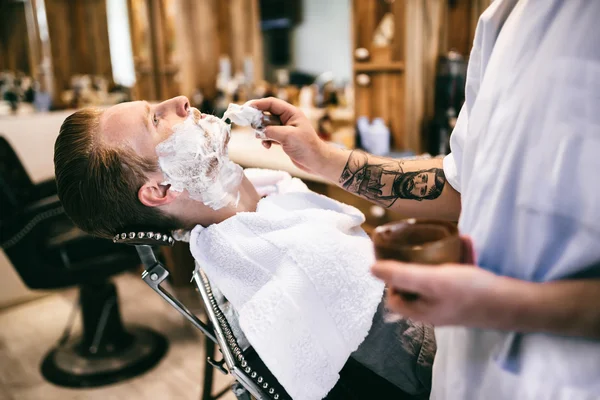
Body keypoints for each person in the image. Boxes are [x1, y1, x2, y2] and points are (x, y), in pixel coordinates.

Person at [252, 1, 600, 399]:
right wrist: (322, 156)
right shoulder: (503, 18)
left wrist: (504, 306)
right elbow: (459, 183)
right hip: (463, 374)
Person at [53, 96, 435, 399]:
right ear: (161, 190)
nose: (181, 100)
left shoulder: (269, 206)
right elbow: (426, 371)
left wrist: (320, 153)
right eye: (155, 119)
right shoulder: (291, 271)